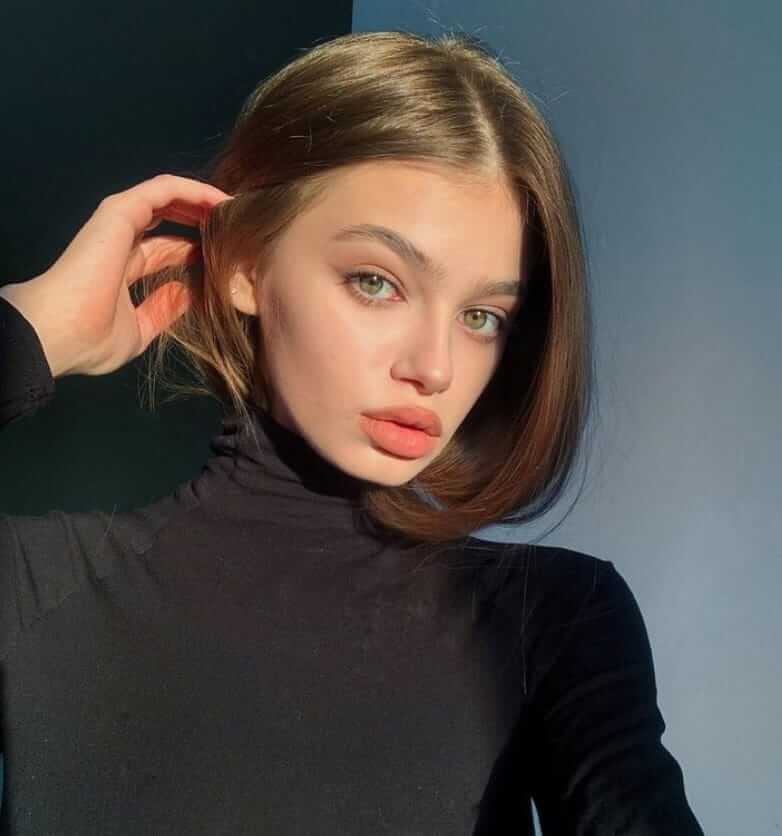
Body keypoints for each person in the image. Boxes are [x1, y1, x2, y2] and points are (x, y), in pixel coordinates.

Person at [0, 30, 705, 835]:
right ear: (246, 264)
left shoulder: (555, 621)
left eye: (482, 316)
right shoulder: (33, 590)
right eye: (377, 282)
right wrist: (30, 329)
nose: (435, 367)